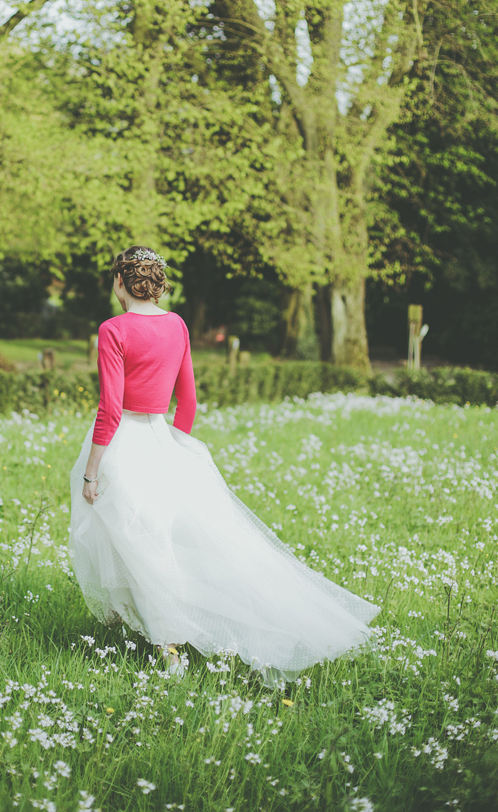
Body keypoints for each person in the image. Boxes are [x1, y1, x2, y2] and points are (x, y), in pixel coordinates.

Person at [69, 246, 379, 681]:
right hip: (162, 439)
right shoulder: (177, 325)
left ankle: (166, 647)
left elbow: (111, 409)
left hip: (123, 446)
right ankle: (141, 623)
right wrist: (176, 447)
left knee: (134, 540)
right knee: (165, 541)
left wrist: (91, 470)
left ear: (120, 281)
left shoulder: (113, 330)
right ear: (157, 283)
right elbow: (188, 401)